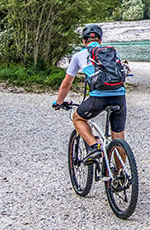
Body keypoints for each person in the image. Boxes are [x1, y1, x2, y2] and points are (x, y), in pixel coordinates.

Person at [54, 24, 128, 165]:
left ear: (83, 40)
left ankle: (95, 146)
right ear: (100, 40)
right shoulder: (113, 53)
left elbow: (67, 83)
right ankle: (120, 178)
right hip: (119, 97)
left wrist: (59, 102)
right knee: (118, 137)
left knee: (78, 118)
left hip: (99, 97)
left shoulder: (78, 56)